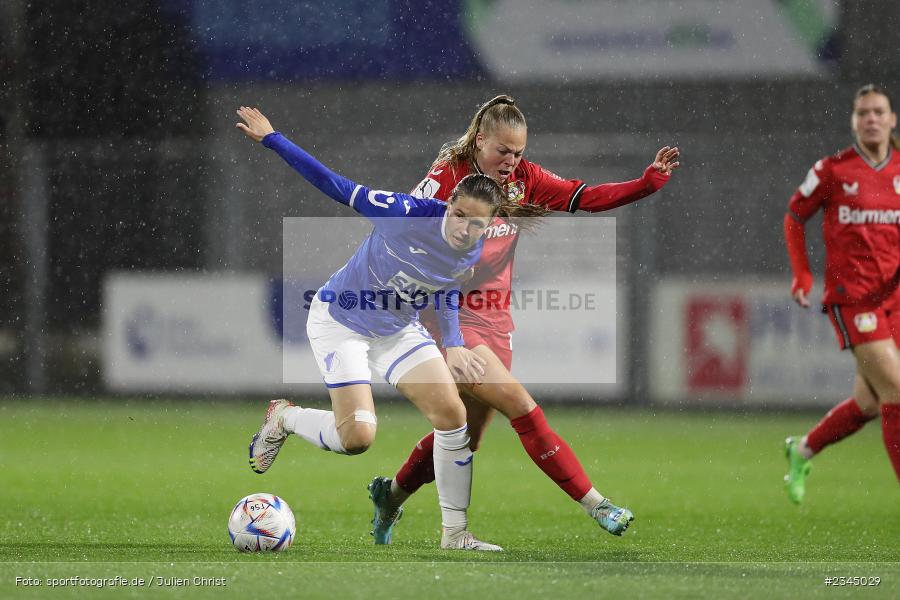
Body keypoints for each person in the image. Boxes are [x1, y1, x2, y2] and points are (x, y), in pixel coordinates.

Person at [368, 95, 680, 544]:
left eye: (518, 152)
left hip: (496, 320)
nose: (512, 162)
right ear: (479, 142)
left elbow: (583, 196)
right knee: (521, 405)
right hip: (449, 315)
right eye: (503, 151)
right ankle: (597, 504)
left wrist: (646, 184)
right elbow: (401, 233)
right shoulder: (444, 182)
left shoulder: (523, 181)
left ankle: (390, 498)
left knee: (466, 437)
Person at [236, 105, 511, 551]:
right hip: (341, 319)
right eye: (459, 214)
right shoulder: (406, 212)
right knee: (358, 439)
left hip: (397, 328)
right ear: (450, 203)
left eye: (477, 224)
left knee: (453, 417)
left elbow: (444, 289)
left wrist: (455, 344)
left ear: (490, 225)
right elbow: (334, 184)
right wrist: (273, 138)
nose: (464, 228)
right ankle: (285, 417)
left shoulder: (471, 250)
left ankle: (455, 534)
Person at [783, 84, 900, 504]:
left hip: (895, 301)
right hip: (853, 299)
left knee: (869, 403)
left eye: (878, 112)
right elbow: (795, 216)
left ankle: (802, 450)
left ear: (892, 119)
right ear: (853, 121)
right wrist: (802, 275)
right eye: (863, 112)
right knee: (897, 392)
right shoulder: (834, 171)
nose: (871, 118)